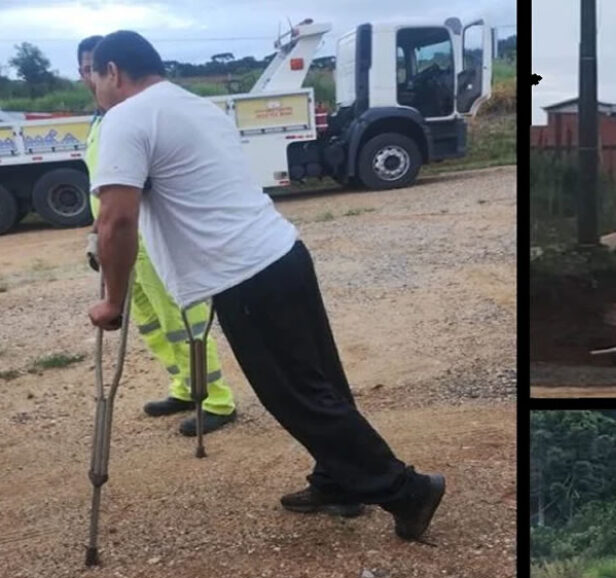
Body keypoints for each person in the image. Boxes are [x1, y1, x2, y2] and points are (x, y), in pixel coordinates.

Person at [86, 31, 443, 539]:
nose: (94, 88)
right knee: (322, 384)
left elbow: (116, 222)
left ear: (113, 72)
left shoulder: (125, 117)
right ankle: (338, 480)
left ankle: (407, 490)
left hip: (246, 275)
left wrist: (112, 300)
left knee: (296, 395)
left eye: (95, 77)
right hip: (282, 252)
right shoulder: (197, 106)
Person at [78, 35, 238, 437]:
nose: (88, 79)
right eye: (82, 70)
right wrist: (97, 232)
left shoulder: (135, 116)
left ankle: (216, 397)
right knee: (152, 324)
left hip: (150, 236)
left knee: (182, 320)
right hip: (121, 242)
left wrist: (112, 228)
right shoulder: (101, 122)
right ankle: (185, 385)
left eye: (92, 70)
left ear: (110, 71)